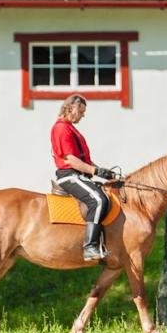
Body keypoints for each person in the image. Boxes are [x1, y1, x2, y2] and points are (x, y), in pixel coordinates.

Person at [51, 95, 119, 262]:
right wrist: (96, 171)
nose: (83, 115)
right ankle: (90, 247)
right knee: (99, 200)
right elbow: (72, 161)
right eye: (81, 111)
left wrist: (103, 172)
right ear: (72, 108)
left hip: (80, 174)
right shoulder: (61, 129)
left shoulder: (70, 128)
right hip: (69, 176)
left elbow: (84, 161)